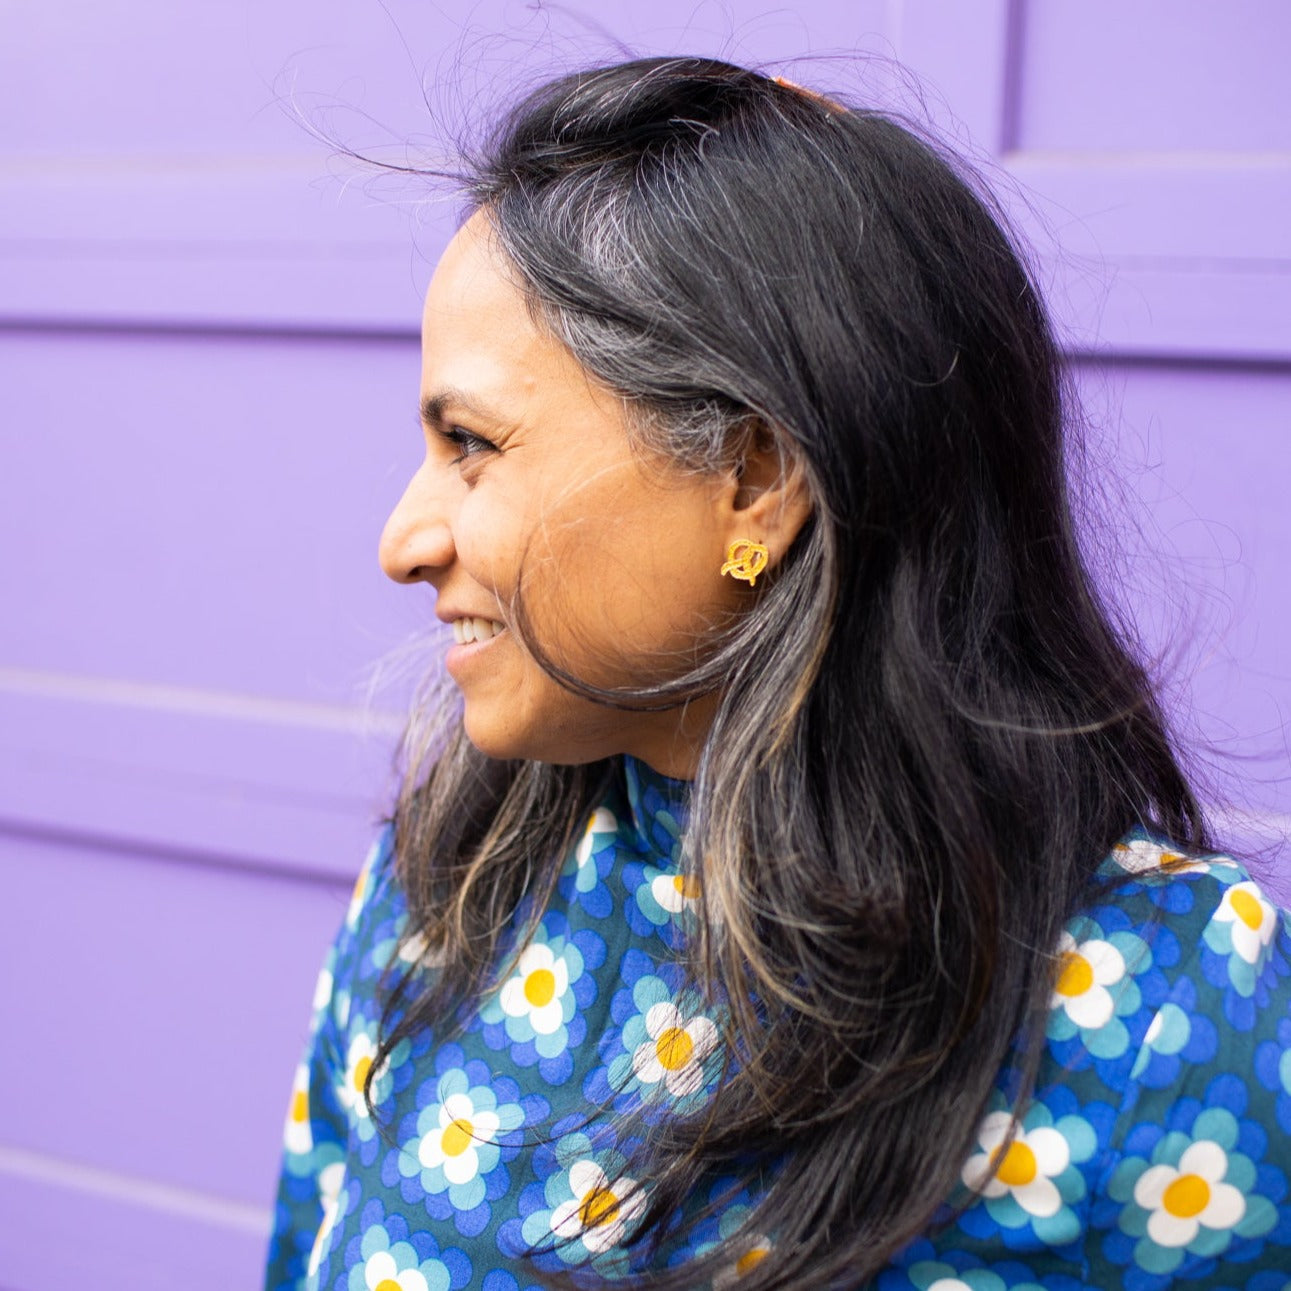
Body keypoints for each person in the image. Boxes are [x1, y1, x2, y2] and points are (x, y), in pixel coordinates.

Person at [264, 56, 1291, 1290]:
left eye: (471, 445)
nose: (403, 541)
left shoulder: (1164, 1016)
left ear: (754, 479)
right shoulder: (454, 878)